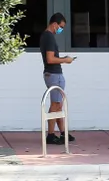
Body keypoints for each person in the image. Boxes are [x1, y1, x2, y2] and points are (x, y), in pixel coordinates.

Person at [40, 12, 75, 145]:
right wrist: (65, 60)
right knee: (55, 105)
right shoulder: (48, 37)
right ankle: (50, 134)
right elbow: (50, 59)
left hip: (54, 74)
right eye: (60, 27)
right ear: (54, 24)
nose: (61, 29)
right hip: (53, 74)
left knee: (58, 104)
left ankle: (63, 132)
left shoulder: (47, 36)